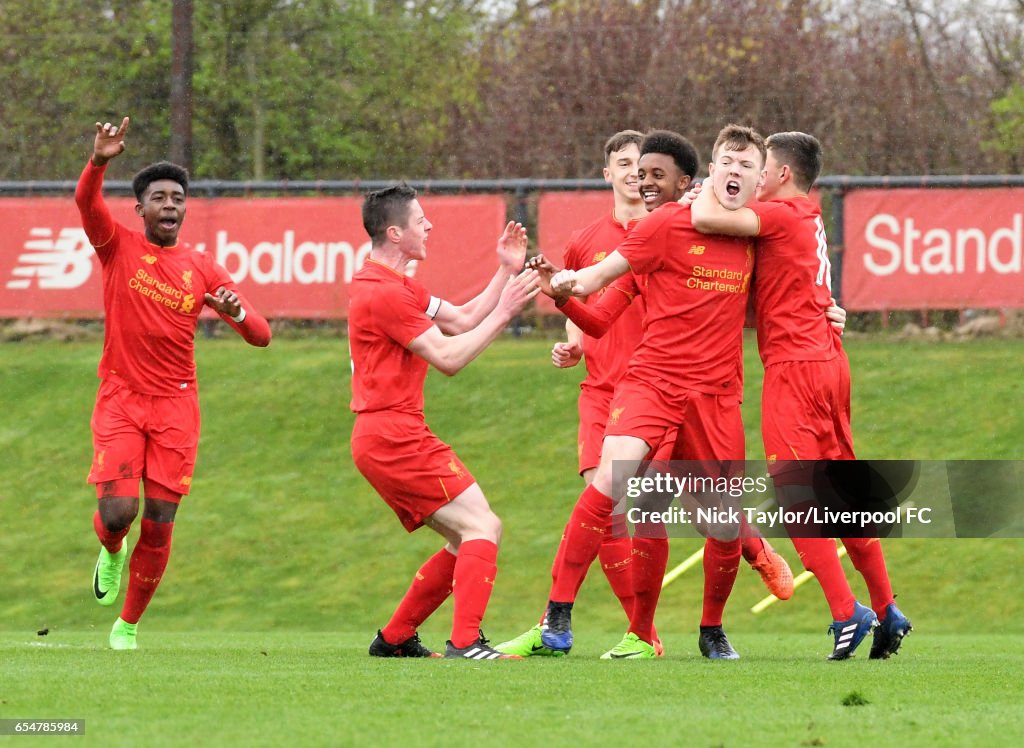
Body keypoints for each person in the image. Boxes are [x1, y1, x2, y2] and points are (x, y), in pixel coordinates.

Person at [496, 130, 793, 658]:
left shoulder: (757, 236)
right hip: (652, 383)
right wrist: (560, 289)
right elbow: (596, 300)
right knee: (612, 484)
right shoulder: (660, 228)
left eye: (746, 164)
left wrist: (825, 315)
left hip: (716, 396)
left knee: (720, 522)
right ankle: (559, 617)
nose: (645, 182)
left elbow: (786, 297)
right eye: (640, 173)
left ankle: (711, 629)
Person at [689, 131, 912, 660]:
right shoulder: (807, 218)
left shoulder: (783, 214)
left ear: (782, 174)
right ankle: (887, 610)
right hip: (830, 362)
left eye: (760, 169)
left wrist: (705, 187)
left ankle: (845, 613)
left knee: (797, 499)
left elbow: (704, 219)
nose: (754, 178)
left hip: (796, 369)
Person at [77, 116, 272, 650]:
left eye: (177, 197)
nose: (169, 204)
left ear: (185, 208)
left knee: (160, 524)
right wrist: (99, 160)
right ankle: (111, 550)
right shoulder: (115, 247)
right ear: (139, 210)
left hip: (176, 408)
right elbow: (85, 205)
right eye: (158, 197)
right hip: (120, 397)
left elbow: (261, 335)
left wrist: (235, 311)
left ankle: (128, 626)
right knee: (118, 513)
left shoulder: (203, 268)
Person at [351, 184, 540, 660]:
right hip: (392, 434)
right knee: (481, 527)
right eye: (420, 221)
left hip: (392, 432)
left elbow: (460, 319)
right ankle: (466, 644)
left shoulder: (398, 285)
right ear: (395, 233)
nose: (429, 226)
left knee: (468, 535)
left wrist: (504, 271)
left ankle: (394, 639)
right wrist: (507, 313)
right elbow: (450, 358)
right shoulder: (384, 294)